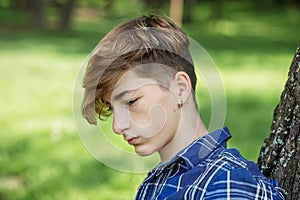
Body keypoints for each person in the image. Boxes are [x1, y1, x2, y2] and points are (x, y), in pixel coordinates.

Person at [81, 15, 284, 199]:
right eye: (112, 108)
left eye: (131, 101)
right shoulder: (155, 184)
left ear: (180, 88)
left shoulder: (225, 183)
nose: (117, 126)